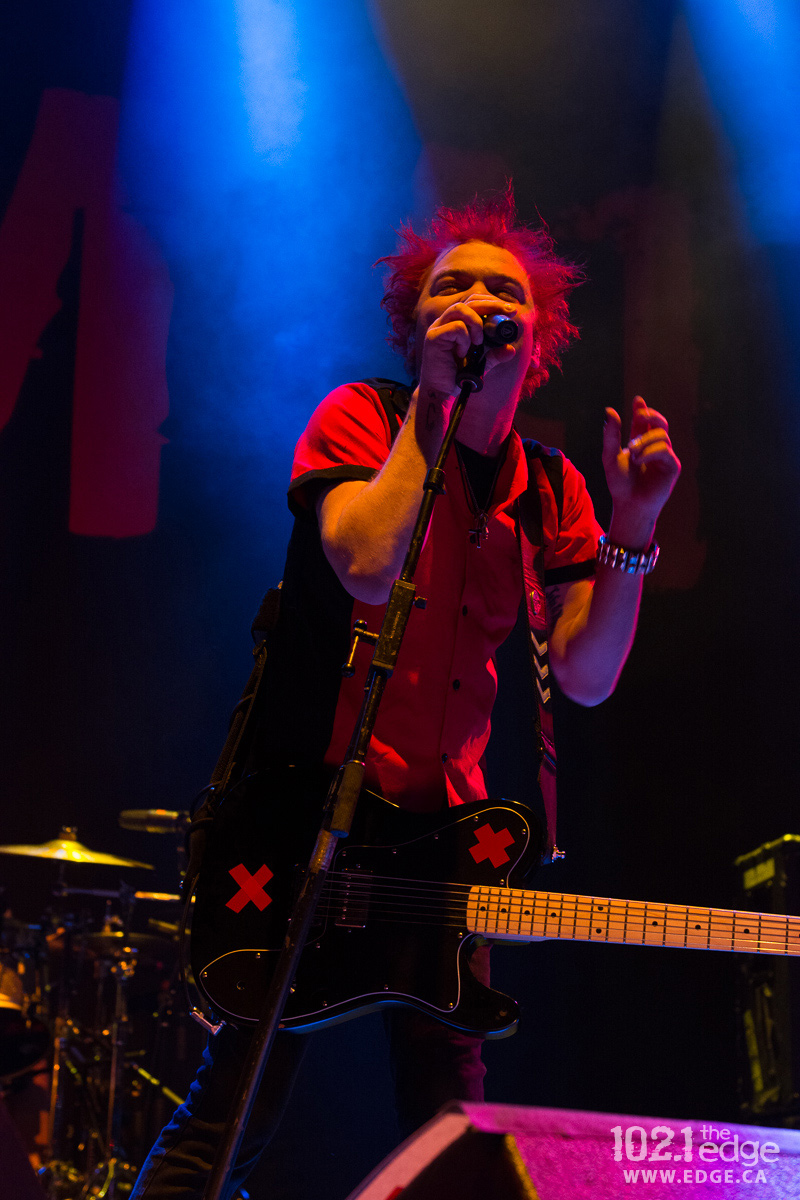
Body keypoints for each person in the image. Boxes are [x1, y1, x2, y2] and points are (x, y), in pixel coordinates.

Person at [130, 189, 680, 1199]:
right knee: (234, 1111)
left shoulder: (549, 486)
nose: (476, 299)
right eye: (451, 286)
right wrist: (431, 406)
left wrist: (631, 525)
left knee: (449, 1138)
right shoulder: (359, 417)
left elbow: (587, 679)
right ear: (414, 321)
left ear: (539, 334)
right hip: (306, 826)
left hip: (443, 845)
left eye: (501, 289)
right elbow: (367, 563)